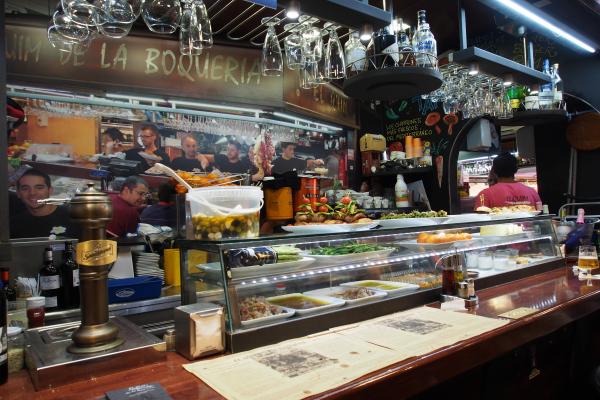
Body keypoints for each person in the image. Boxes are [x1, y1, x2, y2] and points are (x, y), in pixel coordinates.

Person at [9, 169, 80, 238]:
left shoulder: (73, 219)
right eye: (25, 188)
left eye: (39, 188)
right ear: (18, 193)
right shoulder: (13, 225)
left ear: (50, 190)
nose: (32, 193)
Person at [474, 152, 541, 209]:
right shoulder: (532, 192)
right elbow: (541, 216)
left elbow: (479, 221)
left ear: (494, 171)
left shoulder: (484, 195)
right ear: (516, 169)